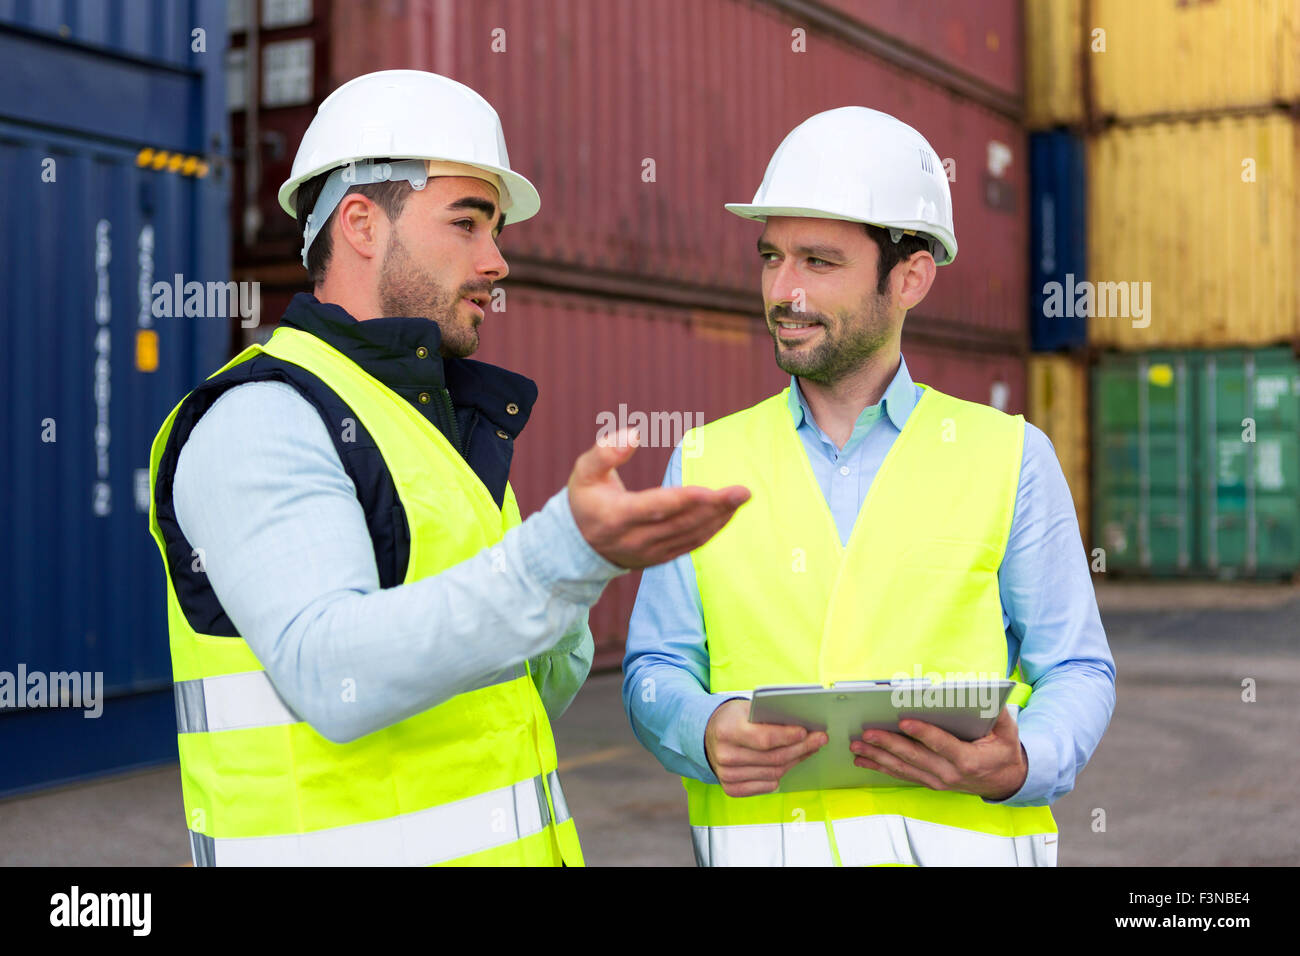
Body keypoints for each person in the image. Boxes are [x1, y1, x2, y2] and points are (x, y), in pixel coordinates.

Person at [146, 69, 747, 867]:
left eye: (495, 231)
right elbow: (332, 674)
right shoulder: (263, 419)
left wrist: (584, 569)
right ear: (361, 223)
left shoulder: (433, 433)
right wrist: (559, 557)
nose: (497, 262)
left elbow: (514, 702)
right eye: (468, 224)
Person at [622, 106, 1116, 867]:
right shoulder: (702, 460)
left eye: (818, 263)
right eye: (770, 257)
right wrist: (702, 727)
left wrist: (1024, 760)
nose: (783, 291)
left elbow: (1076, 668)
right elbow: (654, 670)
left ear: (910, 277)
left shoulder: (1010, 457)